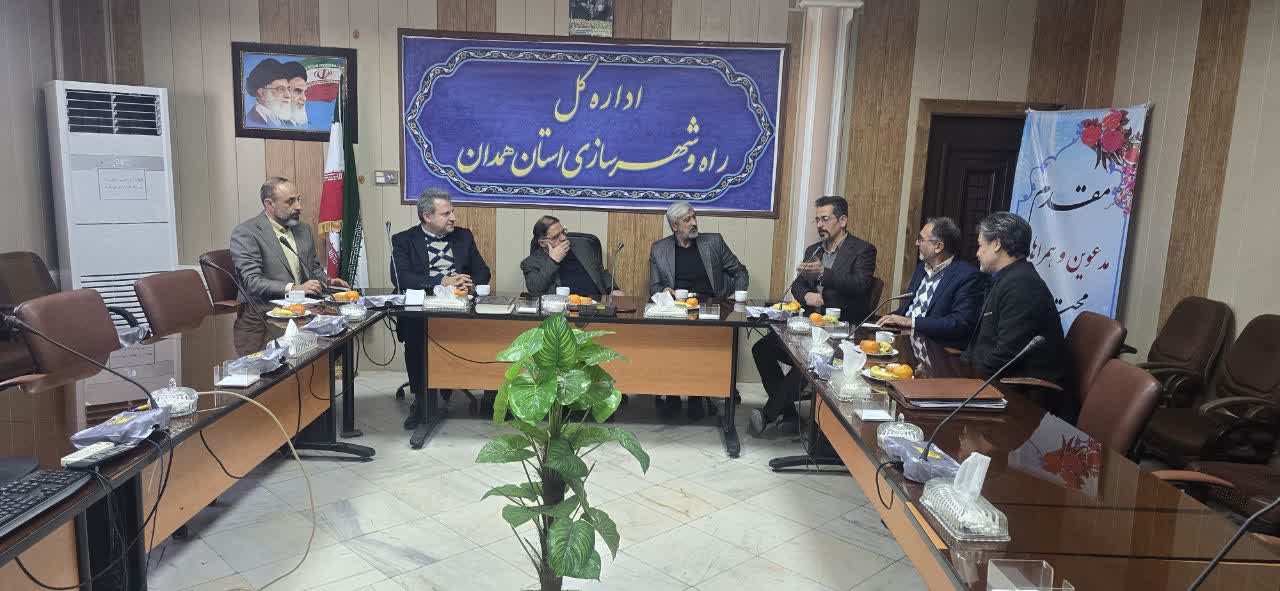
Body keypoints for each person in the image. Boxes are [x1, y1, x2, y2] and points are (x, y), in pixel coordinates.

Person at [749, 195, 876, 437]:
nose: (819, 225)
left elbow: (860, 285)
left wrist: (823, 276)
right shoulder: (814, 249)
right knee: (762, 349)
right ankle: (789, 414)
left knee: (809, 363)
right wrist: (806, 295)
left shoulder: (863, 250)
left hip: (839, 331)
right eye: (817, 220)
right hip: (808, 326)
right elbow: (798, 284)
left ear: (843, 221)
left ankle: (768, 415)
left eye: (825, 219)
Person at [391, 189, 491, 429]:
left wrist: (469, 283)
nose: (453, 218)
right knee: (415, 335)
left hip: (459, 308)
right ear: (427, 216)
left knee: (489, 334)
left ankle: (488, 394)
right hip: (423, 309)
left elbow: (483, 271)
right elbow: (401, 278)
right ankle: (422, 401)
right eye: (446, 214)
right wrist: (441, 281)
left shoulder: (463, 236)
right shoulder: (403, 240)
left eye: (452, 212)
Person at [963, 212, 1076, 421]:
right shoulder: (1007, 278)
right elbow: (982, 341)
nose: (977, 253)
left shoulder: (1022, 285)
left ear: (996, 244)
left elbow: (1006, 354)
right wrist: (960, 371)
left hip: (1024, 401)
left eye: (980, 245)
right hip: (994, 384)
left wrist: (965, 382)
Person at [648, 201, 749, 420]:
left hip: (712, 308)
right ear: (674, 226)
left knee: (702, 340)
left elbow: (740, 271)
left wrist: (736, 296)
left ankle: (697, 394)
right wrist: (664, 290)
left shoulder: (713, 242)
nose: (694, 223)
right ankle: (673, 393)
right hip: (678, 310)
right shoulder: (660, 249)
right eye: (687, 220)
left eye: (694, 217)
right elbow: (654, 287)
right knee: (673, 339)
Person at [230, 176, 349, 302]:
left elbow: (313, 268)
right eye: (290, 201)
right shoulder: (246, 233)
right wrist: (294, 288)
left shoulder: (304, 230)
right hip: (263, 308)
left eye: (298, 199)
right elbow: (251, 281)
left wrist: (328, 281)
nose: (299, 206)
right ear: (269, 204)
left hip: (303, 305)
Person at [878, 217, 987, 349]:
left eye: (921, 239)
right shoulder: (921, 268)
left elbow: (960, 323)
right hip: (902, 339)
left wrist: (911, 322)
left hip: (933, 347)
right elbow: (909, 309)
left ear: (938, 246)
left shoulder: (967, 276)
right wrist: (887, 320)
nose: (916, 243)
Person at [521, 215, 623, 297]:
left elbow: (600, 271)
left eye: (563, 232)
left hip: (596, 304)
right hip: (563, 310)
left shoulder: (583, 246)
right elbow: (535, 290)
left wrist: (613, 289)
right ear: (543, 243)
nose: (563, 238)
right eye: (556, 236)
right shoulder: (530, 263)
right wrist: (553, 261)